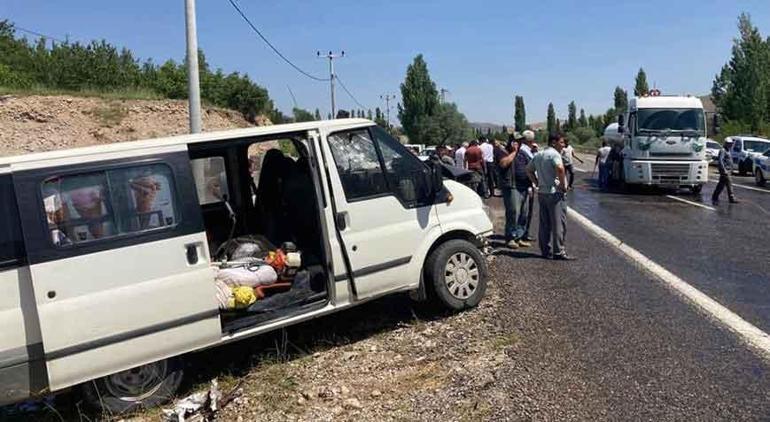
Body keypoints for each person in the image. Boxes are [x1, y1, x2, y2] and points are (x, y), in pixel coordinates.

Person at [527, 132, 573, 261]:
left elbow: (528, 170)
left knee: (544, 223)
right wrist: (563, 185)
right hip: (554, 194)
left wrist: (536, 182)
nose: (564, 145)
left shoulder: (539, 154)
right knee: (558, 224)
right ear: (554, 142)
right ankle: (559, 251)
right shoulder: (554, 154)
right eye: (562, 142)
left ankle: (545, 250)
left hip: (542, 193)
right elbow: (560, 168)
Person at [495, 135, 520, 248]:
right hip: (509, 185)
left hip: (518, 185)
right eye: (516, 142)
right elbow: (504, 163)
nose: (518, 144)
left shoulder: (518, 152)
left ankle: (518, 236)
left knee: (519, 212)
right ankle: (510, 237)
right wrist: (514, 152)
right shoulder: (502, 152)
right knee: (512, 212)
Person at [512, 130, 536, 245]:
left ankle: (519, 236)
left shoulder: (527, 151)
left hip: (526, 185)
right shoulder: (522, 152)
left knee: (523, 213)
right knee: (518, 213)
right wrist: (532, 182)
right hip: (520, 186)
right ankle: (513, 237)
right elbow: (522, 171)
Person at [712, 139, 739, 205]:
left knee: (721, 185)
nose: (731, 145)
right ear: (726, 143)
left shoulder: (728, 150)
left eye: (731, 143)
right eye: (730, 143)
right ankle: (731, 198)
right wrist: (724, 170)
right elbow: (721, 161)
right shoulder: (723, 150)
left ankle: (715, 196)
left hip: (728, 170)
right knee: (729, 183)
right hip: (725, 171)